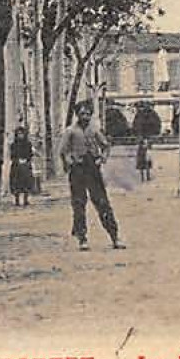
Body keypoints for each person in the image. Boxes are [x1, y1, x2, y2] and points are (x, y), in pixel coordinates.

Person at [58, 105, 123, 251]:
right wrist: (70, 162)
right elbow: (63, 151)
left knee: (102, 202)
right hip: (77, 170)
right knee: (79, 204)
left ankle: (114, 236)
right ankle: (82, 238)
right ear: (77, 115)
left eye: (88, 114)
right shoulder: (70, 131)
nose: (85, 117)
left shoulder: (94, 130)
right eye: (82, 114)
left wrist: (102, 159)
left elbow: (106, 145)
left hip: (92, 169)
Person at [9, 127, 37, 206]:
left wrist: (26, 160)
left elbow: (30, 154)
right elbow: (12, 155)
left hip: (26, 164)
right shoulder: (13, 145)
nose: (20, 136)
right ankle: (17, 200)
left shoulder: (28, 144)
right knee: (16, 183)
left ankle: (26, 199)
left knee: (27, 183)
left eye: (21, 134)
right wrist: (17, 160)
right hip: (16, 166)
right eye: (18, 134)